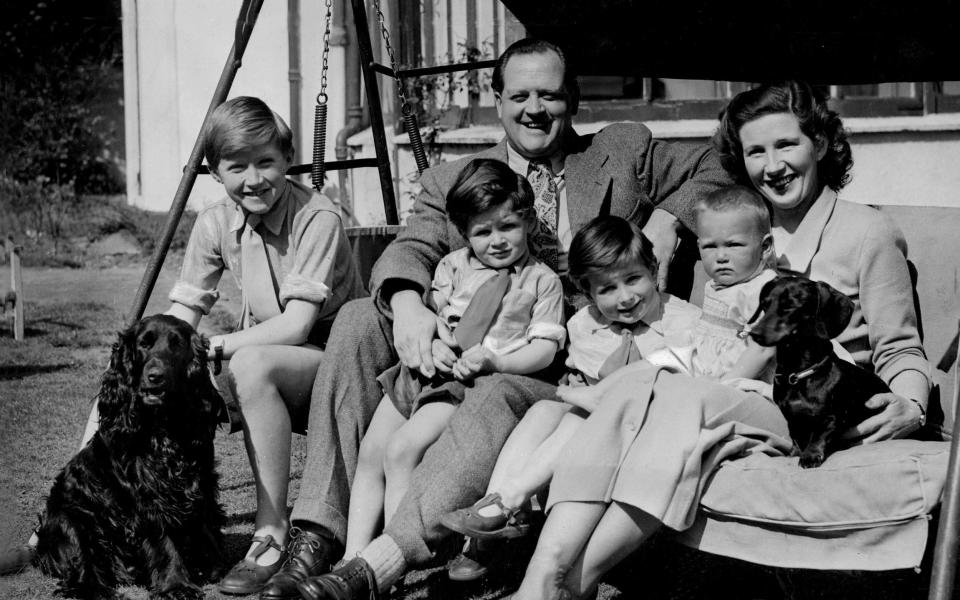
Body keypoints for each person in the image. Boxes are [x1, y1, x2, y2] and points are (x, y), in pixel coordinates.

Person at [262, 38, 732, 600]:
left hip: (563, 354)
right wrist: (410, 305)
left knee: (495, 391)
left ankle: (380, 562)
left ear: (573, 100)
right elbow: (410, 248)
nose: (535, 109)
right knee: (363, 318)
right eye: (520, 95)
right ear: (499, 99)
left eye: (551, 96)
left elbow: (717, 162)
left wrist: (666, 223)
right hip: (477, 335)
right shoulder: (455, 178)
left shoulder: (622, 149)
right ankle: (317, 530)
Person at [508, 80, 933, 600]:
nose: (772, 165)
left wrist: (910, 403)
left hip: (808, 407)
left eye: (786, 145)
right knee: (634, 396)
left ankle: (562, 580)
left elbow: (901, 348)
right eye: (756, 151)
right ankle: (549, 574)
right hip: (729, 397)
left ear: (819, 145)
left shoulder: (867, 232)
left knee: (667, 389)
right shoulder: (732, 228)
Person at [164, 96, 366, 596]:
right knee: (161, 374)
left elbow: (298, 325)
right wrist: (148, 354)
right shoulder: (214, 223)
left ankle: (271, 532)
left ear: (287, 160)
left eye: (266, 162)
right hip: (275, 358)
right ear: (216, 172)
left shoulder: (317, 218)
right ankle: (172, 522)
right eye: (237, 167)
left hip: (339, 361)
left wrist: (215, 346)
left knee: (248, 364)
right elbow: (182, 315)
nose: (254, 179)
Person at [438, 216, 701, 579]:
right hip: (595, 430)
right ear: (587, 290)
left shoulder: (687, 322)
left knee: (576, 414)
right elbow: (580, 381)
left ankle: (507, 504)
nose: (624, 297)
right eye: (606, 289)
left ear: (654, 269)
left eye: (633, 279)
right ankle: (491, 519)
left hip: (646, 432)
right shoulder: (584, 326)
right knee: (547, 408)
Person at [342, 158, 565, 559]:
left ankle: (394, 557)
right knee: (372, 453)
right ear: (464, 233)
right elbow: (433, 313)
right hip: (420, 370)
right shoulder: (452, 266)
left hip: (466, 383)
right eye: (483, 232)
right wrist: (437, 337)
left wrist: (496, 362)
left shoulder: (541, 281)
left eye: (508, 226)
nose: (497, 240)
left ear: (529, 222)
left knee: (401, 451)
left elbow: (546, 348)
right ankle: (352, 555)